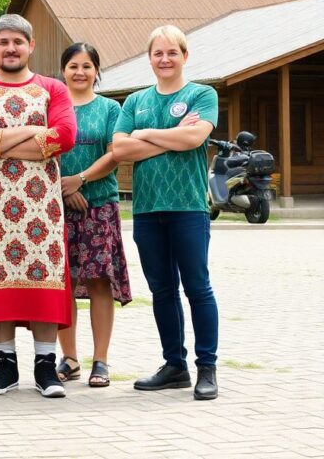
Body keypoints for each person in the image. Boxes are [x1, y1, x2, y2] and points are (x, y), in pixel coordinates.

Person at [0, 14, 77, 399]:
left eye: (18, 42)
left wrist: (0, 142)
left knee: (44, 277)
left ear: (31, 46)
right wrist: (33, 132)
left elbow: (65, 136)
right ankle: (5, 365)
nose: (11, 49)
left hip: (42, 206)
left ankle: (45, 365)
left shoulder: (52, 89)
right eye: (4, 42)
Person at [112, 25, 220, 401]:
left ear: (184, 56)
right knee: (162, 290)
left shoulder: (202, 94)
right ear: (150, 58)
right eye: (158, 53)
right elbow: (119, 150)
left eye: (172, 52)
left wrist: (143, 134)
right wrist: (171, 134)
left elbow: (194, 138)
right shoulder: (135, 101)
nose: (165, 59)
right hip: (146, 209)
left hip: (188, 207)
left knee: (197, 288)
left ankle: (207, 368)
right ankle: (175, 366)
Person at [54, 43, 132, 388]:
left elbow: (115, 153)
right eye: (73, 66)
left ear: (96, 71)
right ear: (63, 70)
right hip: (55, 206)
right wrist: (64, 188)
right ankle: (69, 359)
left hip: (99, 205)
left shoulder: (110, 109)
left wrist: (81, 180)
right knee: (63, 282)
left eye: (87, 66)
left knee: (100, 280)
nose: (80, 72)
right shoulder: (52, 107)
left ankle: (100, 360)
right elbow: (43, 150)